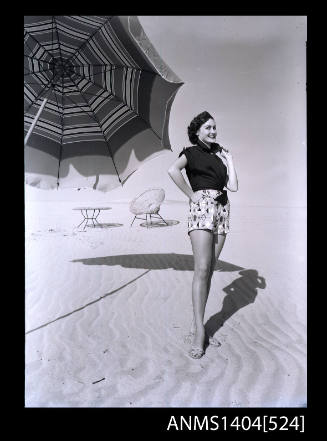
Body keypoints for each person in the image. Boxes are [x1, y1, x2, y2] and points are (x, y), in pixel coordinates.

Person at [167, 111, 238, 359]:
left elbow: (233, 185)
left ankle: (197, 325)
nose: (212, 131)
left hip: (222, 208)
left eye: (214, 128)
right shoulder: (190, 153)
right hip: (202, 207)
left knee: (210, 270)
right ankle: (199, 333)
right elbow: (172, 171)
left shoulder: (220, 154)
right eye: (208, 128)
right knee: (202, 268)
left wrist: (229, 160)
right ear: (197, 131)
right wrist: (190, 194)